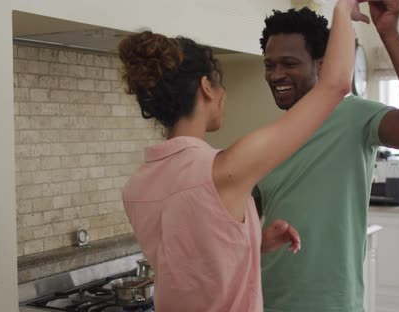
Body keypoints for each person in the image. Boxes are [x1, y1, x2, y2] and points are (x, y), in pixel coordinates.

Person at [119, 1, 369, 310]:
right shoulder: (223, 170)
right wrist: (343, 11)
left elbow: (194, 264)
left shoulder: (136, 186)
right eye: (221, 85)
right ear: (207, 88)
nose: (225, 95)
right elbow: (335, 85)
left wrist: (253, 240)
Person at [254, 1, 399, 311]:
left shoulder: (354, 115)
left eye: (289, 63)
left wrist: (389, 35)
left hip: (333, 303)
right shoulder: (267, 139)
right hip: (264, 301)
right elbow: (240, 232)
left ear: (321, 64)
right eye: (270, 64)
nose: (276, 74)